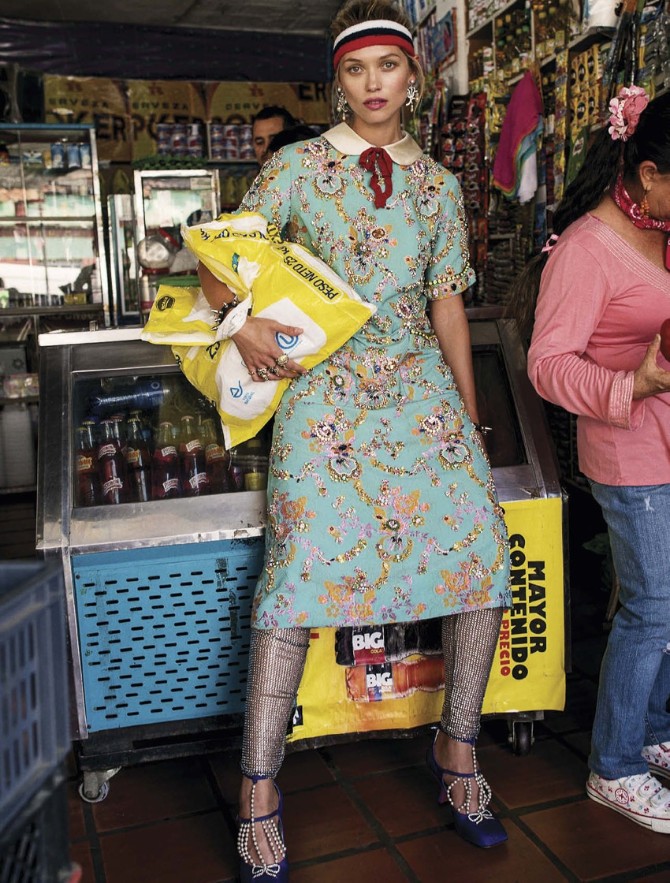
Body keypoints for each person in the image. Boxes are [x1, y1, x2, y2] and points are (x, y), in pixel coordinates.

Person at [198, 1, 511, 878]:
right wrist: (244, 325)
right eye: (355, 71)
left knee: (483, 555)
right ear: (337, 80)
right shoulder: (294, 169)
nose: (373, 86)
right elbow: (218, 266)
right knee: (297, 579)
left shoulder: (441, 185)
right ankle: (259, 789)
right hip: (322, 399)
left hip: (421, 399)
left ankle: (457, 756)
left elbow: (446, 300)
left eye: (389, 68)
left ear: (414, 75)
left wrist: (470, 416)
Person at [517, 86, 670, 834]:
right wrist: (631, 381)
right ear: (647, 174)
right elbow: (547, 365)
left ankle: (654, 729)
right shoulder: (586, 249)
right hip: (628, 447)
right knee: (651, 607)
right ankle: (614, 765)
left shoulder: (665, 229)